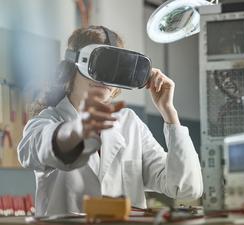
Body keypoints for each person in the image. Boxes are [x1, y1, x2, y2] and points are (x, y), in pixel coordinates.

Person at [17, 25, 203, 216]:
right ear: (71, 68)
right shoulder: (48, 120)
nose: (105, 79)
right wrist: (77, 131)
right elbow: (33, 150)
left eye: (117, 70)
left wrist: (169, 113)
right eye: (100, 65)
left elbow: (185, 188)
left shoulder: (130, 124)